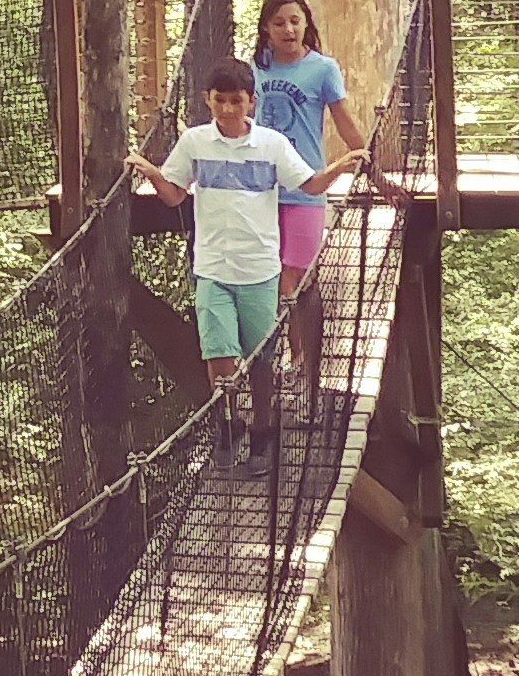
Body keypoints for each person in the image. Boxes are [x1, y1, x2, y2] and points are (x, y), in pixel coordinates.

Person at [126, 57, 377, 444]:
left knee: (261, 358)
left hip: (260, 270)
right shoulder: (194, 142)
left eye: (236, 101)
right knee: (218, 356)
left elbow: (308, 185)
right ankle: (227, 425)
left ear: (251, 102)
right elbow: (175, 196)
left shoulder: (271, 145)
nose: (228, 109)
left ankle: (263, 426)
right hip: (212, 268)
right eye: (220, 100)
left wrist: (342, 165)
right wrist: (154, 173)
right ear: (207, 100)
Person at [253, 0, 371, 381]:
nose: (288, 29)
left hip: (307, 185)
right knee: (268, 272)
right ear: (266, 29)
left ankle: (300, 356)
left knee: (297, 274)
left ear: (306, 24)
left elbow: (343, 120)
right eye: (279, 23)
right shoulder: (255, 68)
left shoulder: (323, 69)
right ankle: (273, 357)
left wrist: (370, 165)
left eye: (295, 21)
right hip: (260, 185)